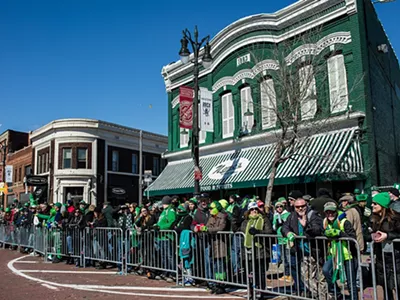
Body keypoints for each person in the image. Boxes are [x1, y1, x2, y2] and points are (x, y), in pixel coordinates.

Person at [282, 197, 325, 297]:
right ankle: (315, 296)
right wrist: (288, 233)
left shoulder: (313, 214)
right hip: (301, 252)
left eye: (302, 206)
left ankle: (324, 297)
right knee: (307, 279)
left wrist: (306, 226)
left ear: (306, 205)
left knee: (320, 279)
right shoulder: (292, 216)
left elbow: (317, 229)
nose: (300, 209)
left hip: (315, 252)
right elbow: (284, 227)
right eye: (297, 207)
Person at [322, 202, 358, 300]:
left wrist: (339, 233)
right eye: (327, 212)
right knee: (326, 270)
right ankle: (337, 293)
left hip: (348, 255)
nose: (330, 214)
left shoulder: (344, 222)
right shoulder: (325, 222)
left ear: (336, 211)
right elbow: (321, 232)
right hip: (335, 255)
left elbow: (352, 238)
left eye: (332, 212)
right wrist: (325, 234)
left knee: (351, 282)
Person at [369, 192, 400, 300]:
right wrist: (371, 236)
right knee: (386, 288)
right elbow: (369, 234)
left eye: (375, 204)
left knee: (398, 286)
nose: (372, 205)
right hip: (381, 259)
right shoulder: (374, 219)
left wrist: (388, 235)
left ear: (382, 206)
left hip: (395, 259)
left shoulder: (395, 218)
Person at [240, 201, 273, 295]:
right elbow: (240, 230)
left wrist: (258, 232)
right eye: (252, 209)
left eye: (256, 209)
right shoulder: (245, 221)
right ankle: (250, 290)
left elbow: (269, 232)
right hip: (249, 251)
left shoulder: (264, 219)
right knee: (249, 272)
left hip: (261, 251)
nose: (254, 211)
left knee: (260, 272)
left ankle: (261, 290)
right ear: (248, 211)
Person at [154, 196, 176, 283]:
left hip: (167, 236)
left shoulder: (170, 211)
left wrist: (160, 227)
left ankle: (173, 273)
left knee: (169, 255)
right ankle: (166, 271)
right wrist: (156, 226)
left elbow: (171, 222)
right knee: (163, 255)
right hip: (161, 236)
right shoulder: (164, 211)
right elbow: (160, 222)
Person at [272, 200, 291, 282]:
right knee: (284, 258)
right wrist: (276, 224)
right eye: (277, 207)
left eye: (280, 206)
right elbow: (274, 227)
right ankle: (286, 274)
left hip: (287, 239)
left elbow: (290, 225)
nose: (279, 208)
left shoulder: (287, 214)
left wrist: (284, 224)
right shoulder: (275, 215)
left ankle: (290, 274)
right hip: (280, 240)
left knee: (289, 257)